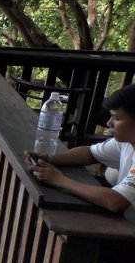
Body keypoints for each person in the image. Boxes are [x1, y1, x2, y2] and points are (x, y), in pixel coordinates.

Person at [29, 84, 135, 246]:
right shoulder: (127, 142)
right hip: (124, 225)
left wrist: (60, 180)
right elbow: (90, 153)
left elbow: (116, 202)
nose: (109, 123)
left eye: (117, 118)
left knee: (64, 232)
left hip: (128, 238)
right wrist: (51, 158)